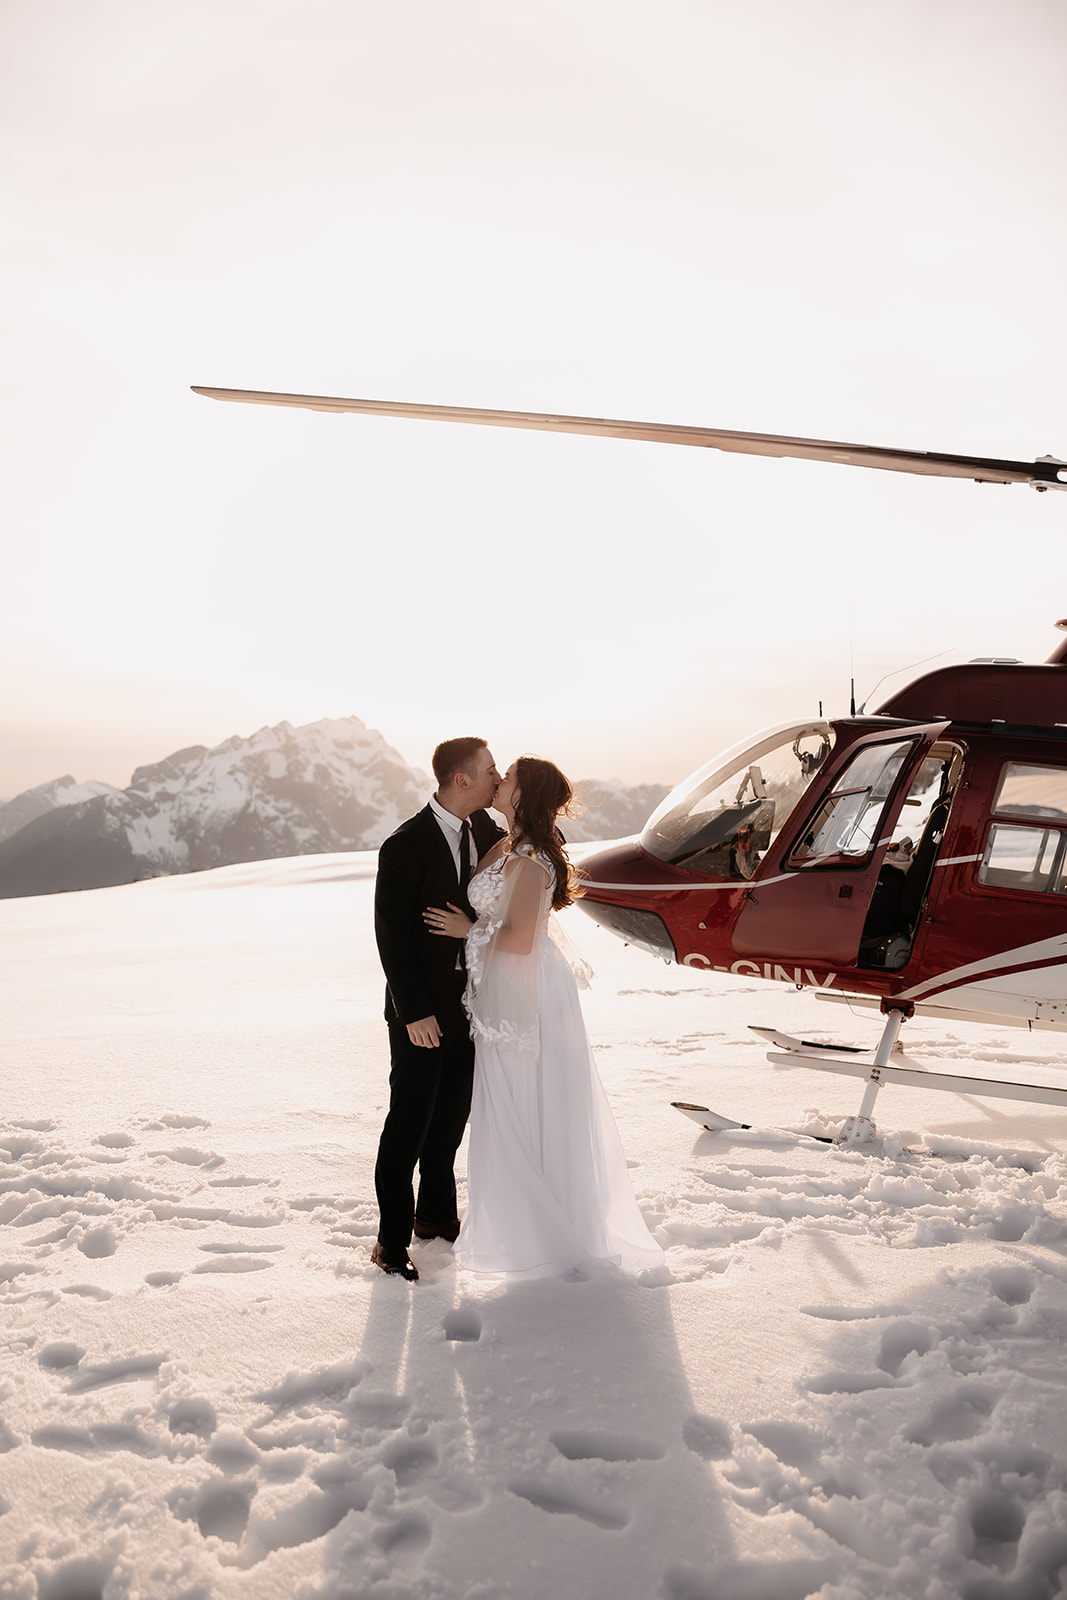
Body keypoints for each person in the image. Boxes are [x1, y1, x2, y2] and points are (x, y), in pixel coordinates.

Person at [424, 756, 665, 1279]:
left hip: (526, 990)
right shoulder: (506, 843)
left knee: (529, 1099)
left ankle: (545, 1234)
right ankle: (521, 1228)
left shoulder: (531, 858)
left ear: (523, 792)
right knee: (511, 1100)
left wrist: (467, 931)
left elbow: (521, 935)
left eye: (507, 774)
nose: (499, 779)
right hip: (504, 988)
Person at [372, 737, 506, 1281]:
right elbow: (391, 938)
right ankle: (389, 1240)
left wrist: (517, 807)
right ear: (462, 780)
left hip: (470, 1006)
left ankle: (434, 1218)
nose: (497, 778)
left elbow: (542, 843)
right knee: (409, 1124)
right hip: (422, 1012)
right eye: (491, 771)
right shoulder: (404, 845)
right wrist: (413, 1012)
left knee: (449, 1122)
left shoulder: (485, 830)